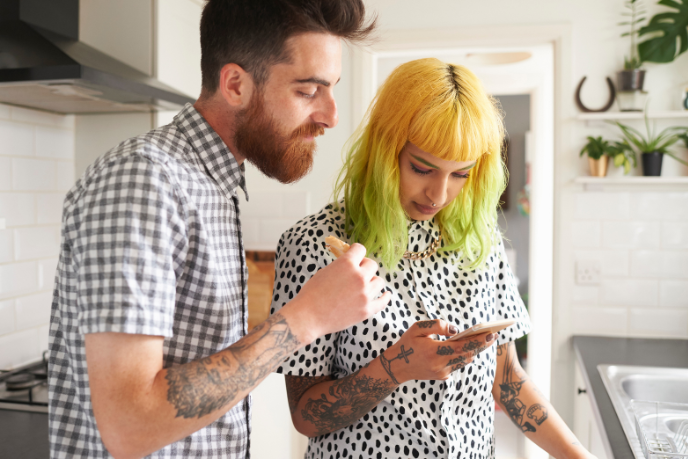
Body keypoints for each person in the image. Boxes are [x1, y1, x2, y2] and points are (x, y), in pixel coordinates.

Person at [47, 1, 391, 458]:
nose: (330, 116)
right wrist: (309, 317)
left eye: (332, 90)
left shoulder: (213, 185)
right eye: (309, 91)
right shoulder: (145, 181)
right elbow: (130, 425)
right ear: (235, 85)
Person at [270, 58, 595, 459]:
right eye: (422, 168)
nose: (438, 195)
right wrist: (395, 368)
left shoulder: (481, 241)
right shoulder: (316, 244)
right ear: (385, 151)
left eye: (460, 174)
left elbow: (506, 380)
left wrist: (580, 455)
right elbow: (305, 415)